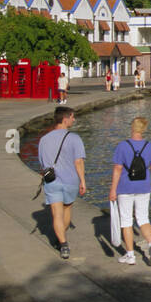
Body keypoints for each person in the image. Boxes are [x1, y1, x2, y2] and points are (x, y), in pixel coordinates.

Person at [108, 116, 151, 265]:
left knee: (126, 221)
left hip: (125, 187)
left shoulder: (122, 146)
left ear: (132, 128)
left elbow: (118, 169)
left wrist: (113, 189)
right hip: (144, 187)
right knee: (143, 218)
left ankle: (130, 255)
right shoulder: (150, 146)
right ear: (144, 129)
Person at [38, 106, 86, 259]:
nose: (74, 120)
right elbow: (78, 162)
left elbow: (42, 163)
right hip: (70, 180)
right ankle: (62, 239)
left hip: (51, 180)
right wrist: (83, 181)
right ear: (65, 120)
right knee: (66, 211)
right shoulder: (75, 138)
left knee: (56, 214)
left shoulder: (44, 140)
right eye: (72, 117)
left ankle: (63, 243)